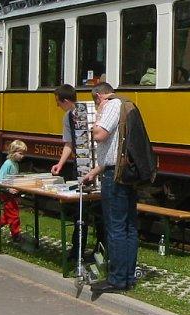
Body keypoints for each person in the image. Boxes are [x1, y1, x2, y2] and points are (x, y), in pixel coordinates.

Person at [82, 82, 139, 293]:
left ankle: (116, 279)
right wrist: (95, 171)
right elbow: (117, 148)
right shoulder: (126, 104)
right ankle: (128, 277)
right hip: (125, 172)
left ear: (98, 96)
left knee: (115, 227)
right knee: (128, 227)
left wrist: (98, 116)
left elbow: (100, 135)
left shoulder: (111, 106)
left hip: (115, 177)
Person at [50, 84, 90, 262]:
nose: (57, 106)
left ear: (66, 101)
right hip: (79, 165)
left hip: (92, 166)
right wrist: (60, 164)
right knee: (80, 210)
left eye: (58, 102)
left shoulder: (88, 113)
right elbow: (69, 144)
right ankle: (78, 249)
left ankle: (100, 248)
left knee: (95, 211)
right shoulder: (67, 117)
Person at [0, 139, 27, 244]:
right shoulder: (8, 164)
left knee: (8, 215)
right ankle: (16, 235)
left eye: (23, 154)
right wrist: (8, 189)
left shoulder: (16, 164)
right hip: (6, 194)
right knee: (14, 215)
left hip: (12, 193)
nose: (22, 156)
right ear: (13, 152)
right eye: (20, 153)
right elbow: (0, 180)